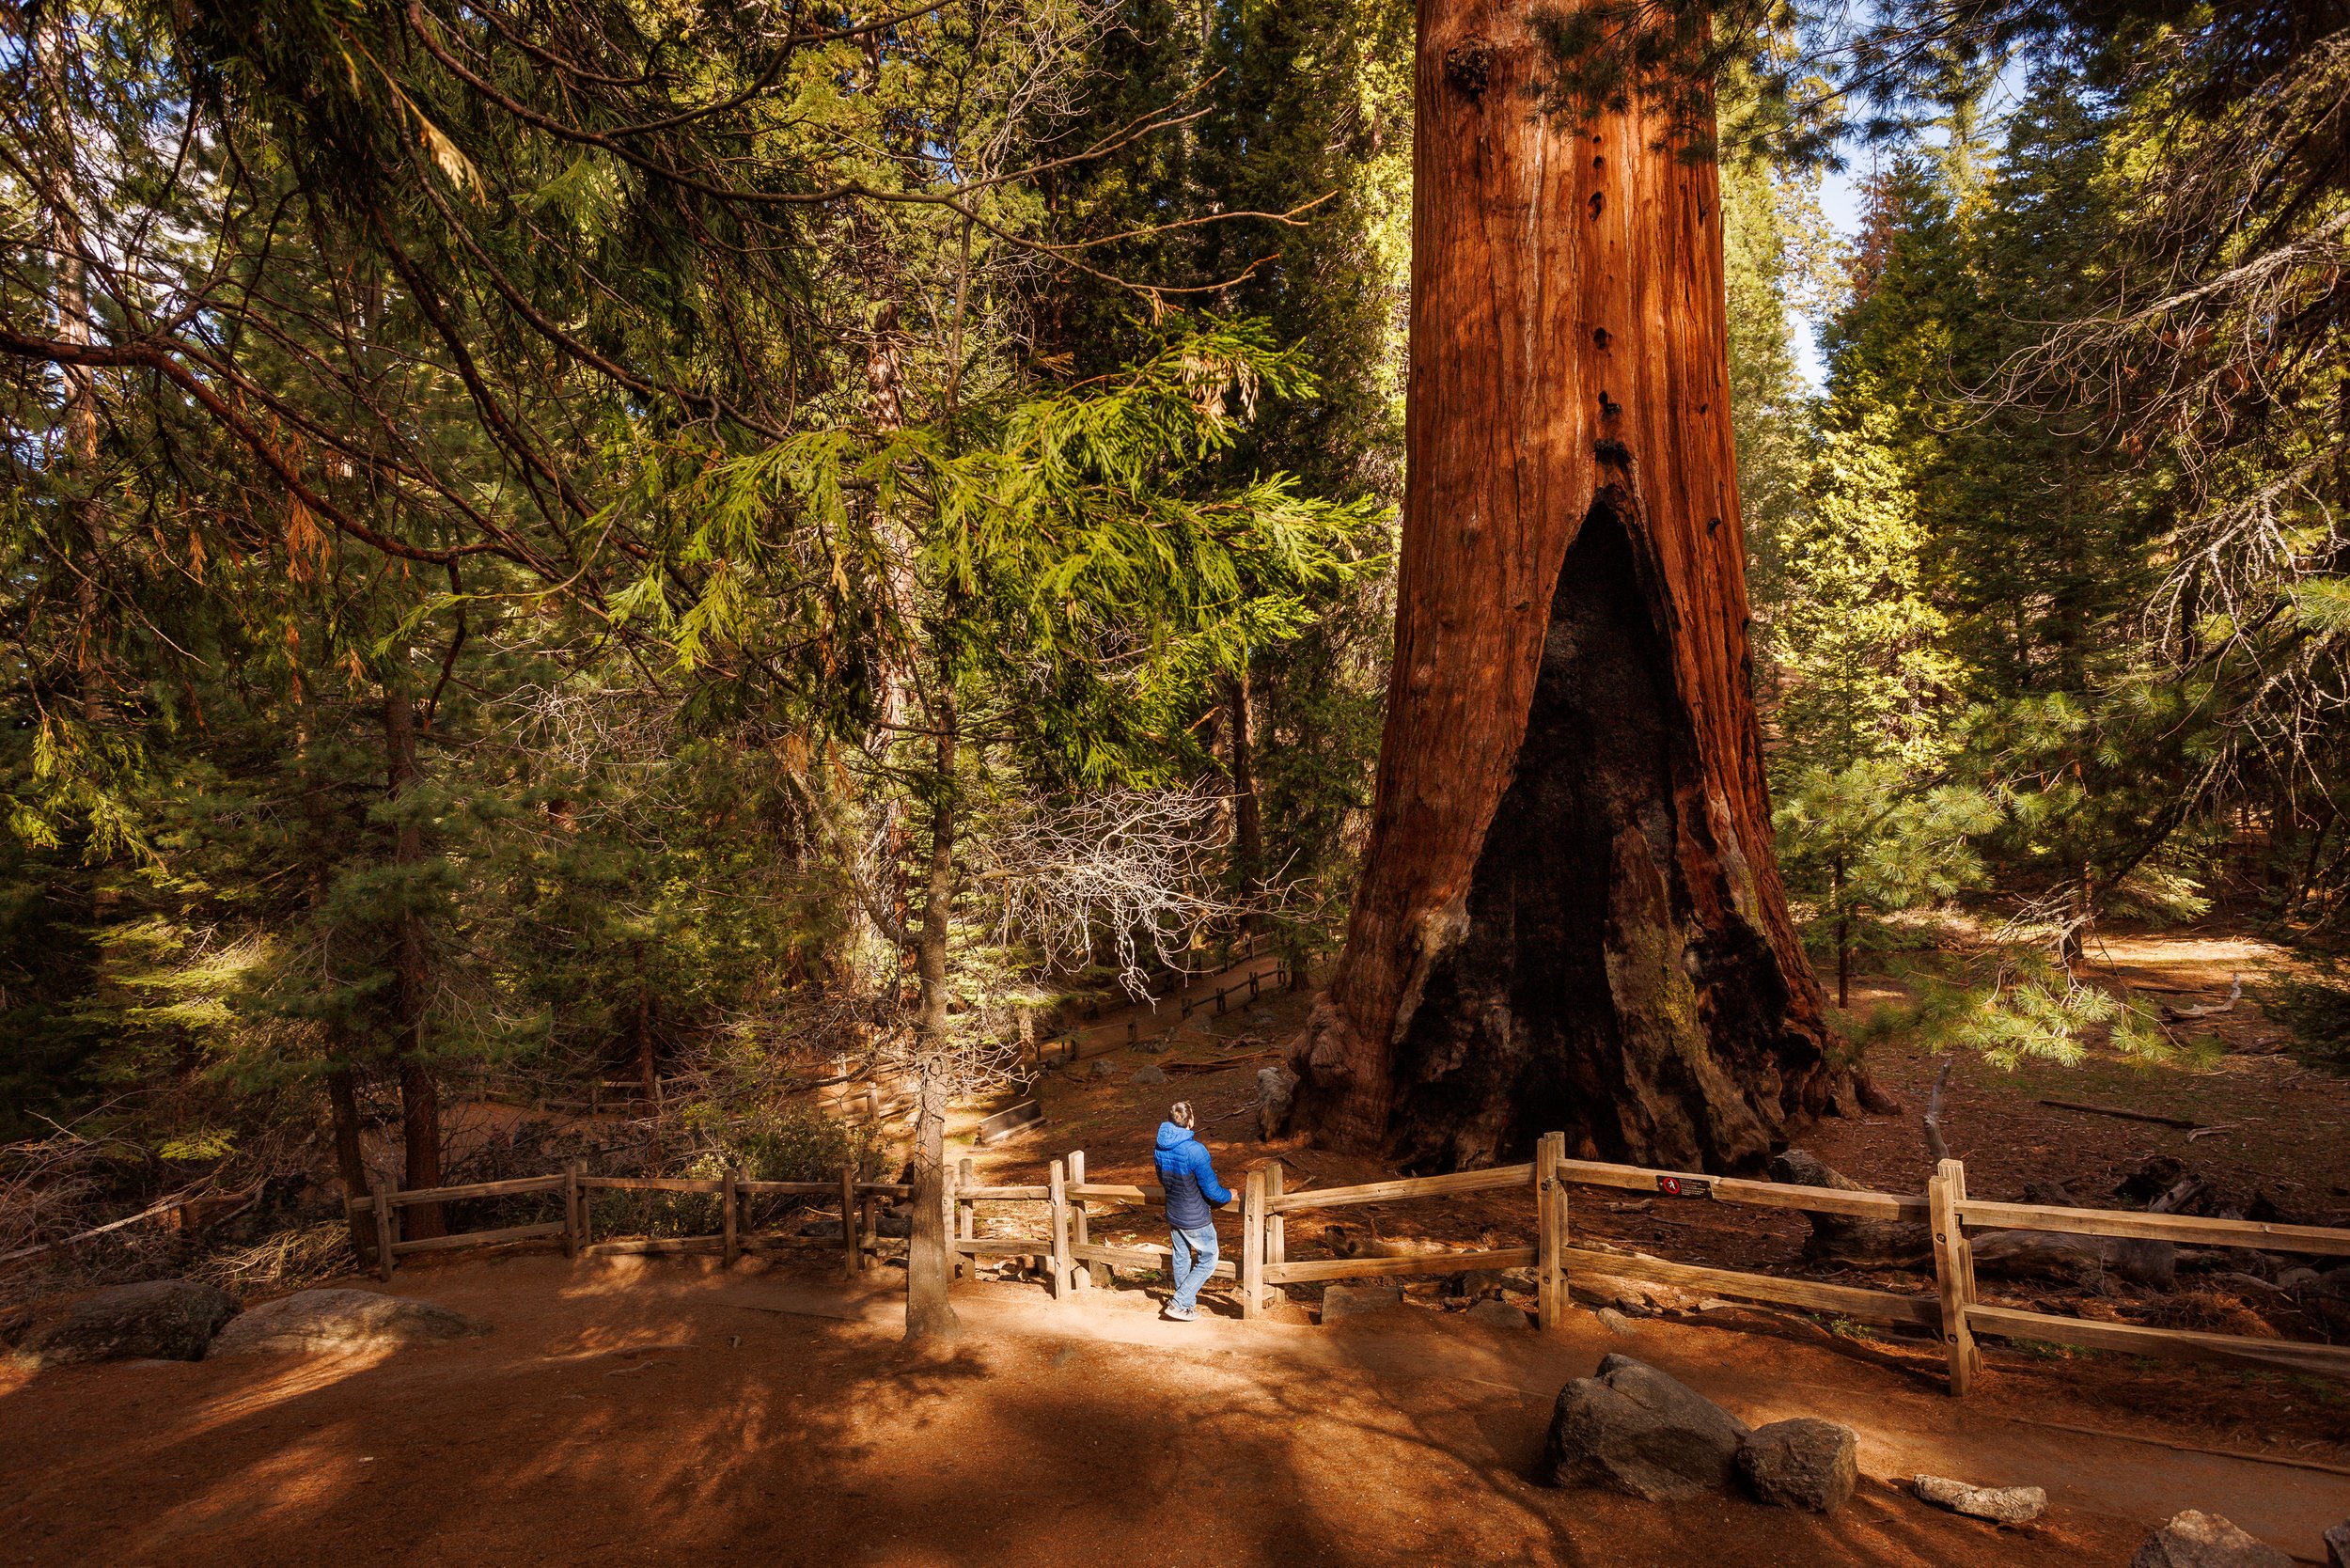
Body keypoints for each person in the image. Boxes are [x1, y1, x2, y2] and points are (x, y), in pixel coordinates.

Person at [1152, 1101, 1232, 1322]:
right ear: (1190, 1121)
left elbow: (1162, 1179)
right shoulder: (1195, 1150)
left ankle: (1185, 1305)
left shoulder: (1159, 1147)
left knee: (1181, 1257)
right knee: (1210, 1258)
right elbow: (1213, 1191)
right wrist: (1231, 1195)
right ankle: (1179, 1303)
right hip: (1195, 1215)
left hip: (1174, 1211)